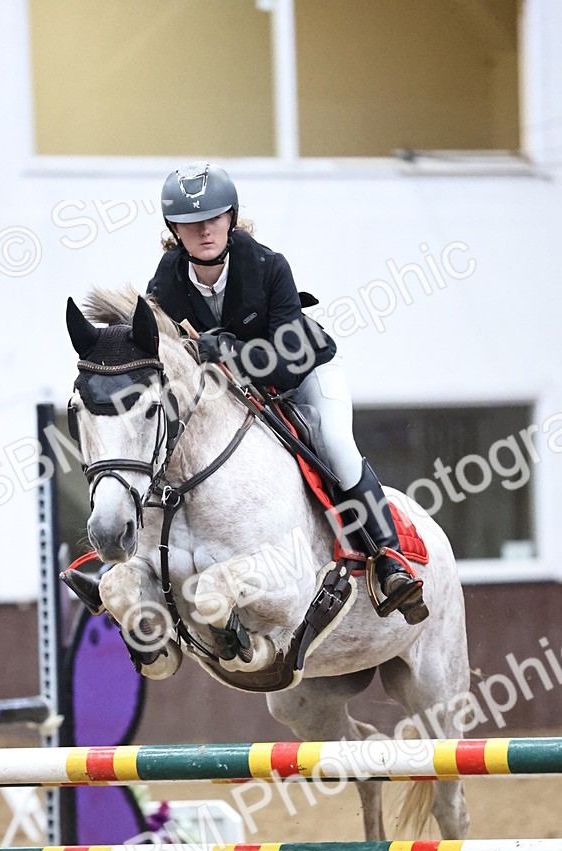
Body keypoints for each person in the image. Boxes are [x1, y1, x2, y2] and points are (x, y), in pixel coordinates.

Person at [147, 162, 427, 624]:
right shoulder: (166, 281)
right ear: (173, 230)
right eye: (189, 223)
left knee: (335, 445)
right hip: (237, 394)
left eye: (213, 217)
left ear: (231, 217)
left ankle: (390, 558)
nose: (203, 230)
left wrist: (230, 350)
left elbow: (289, 356)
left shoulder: (267, 265)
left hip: (304, 376)